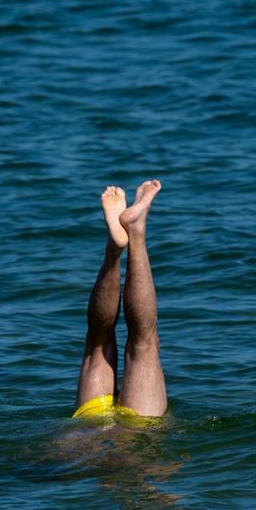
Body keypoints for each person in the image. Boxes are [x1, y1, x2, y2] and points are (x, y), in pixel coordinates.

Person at [72, 180, 168, 425]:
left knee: (100, 345)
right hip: (136, 433)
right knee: (138, 345)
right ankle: (133, 232)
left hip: (91, 434)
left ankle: (116, 250)